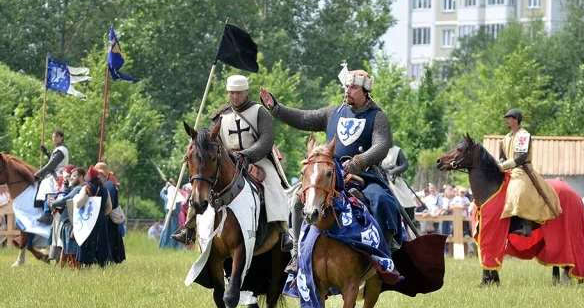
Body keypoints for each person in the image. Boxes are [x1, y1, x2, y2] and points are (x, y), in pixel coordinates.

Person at [261, 69, 402, 273]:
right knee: (299, 200)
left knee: (383, 201)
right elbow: (303, 118)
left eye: (353, 87)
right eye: (346, 86)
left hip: (365, 175)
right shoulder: (332, 113)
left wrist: (359, 162)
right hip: (331, 174)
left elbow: (381, 146)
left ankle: (384, 255)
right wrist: (276, 108)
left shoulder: (377, 117)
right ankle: (298, 254)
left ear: (365, 90)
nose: (348, 91)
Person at [172, 75, 293, 253]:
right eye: (231, 93)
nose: (234, 97)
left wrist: (248, 155)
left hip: (257, 159)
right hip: (227, 160)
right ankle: (189, 227)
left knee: (272, 183)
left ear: (246, 92)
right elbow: (211, 140)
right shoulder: (221, 114)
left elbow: (267, 140)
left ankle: (282, 230)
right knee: (201, 185)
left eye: (238, 93)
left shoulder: (259, 111)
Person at [498, 109, 562, 236]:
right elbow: (503, 156)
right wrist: (500, 163)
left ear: (516, 120)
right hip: (508, 169)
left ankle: (526, 225)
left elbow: (521, 156)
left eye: (509, 118)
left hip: (521, 170)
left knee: (518, 190)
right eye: (507, 118)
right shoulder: (506, 138)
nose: (507, 120)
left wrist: (504, 165)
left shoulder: (523, 135)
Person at [74, 166, 112, 267]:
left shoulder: (86, 188)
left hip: (88, 218)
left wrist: (75, 197)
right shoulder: (104, 190)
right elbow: (109, 207)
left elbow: (79, 203)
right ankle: (102, 263)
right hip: (101, 219)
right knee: (101, 240)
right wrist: (102, 214)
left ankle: (86, 262)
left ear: (89, 177)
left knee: (87, 241)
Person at [51, 167, 85, 264]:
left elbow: (65, 199)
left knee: (72, 249)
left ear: (81, 177)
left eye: (74, 176)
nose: (72, 178)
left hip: (71, 222)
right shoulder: (75, 188)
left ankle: (76, 270)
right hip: (68, 221)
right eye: (71, 176)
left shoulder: (79, 188)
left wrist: (53, 203)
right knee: (67, 248)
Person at [35, 129, 69, 225]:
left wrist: (38, 175)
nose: (54, 138)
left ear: (61, 137)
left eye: (56, 136)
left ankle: (47, 213)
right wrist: (46, 152)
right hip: (56, 171)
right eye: (53, 136)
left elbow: (51, 165)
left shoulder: (61, 150)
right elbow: (52, 159)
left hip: (58, 173)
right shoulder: (59, 149)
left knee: (46, 186)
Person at [95, 162, 126, 264]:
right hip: (104, 220)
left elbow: (108, 204)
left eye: (98, 174)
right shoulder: (101, 185)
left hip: (109, 221)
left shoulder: (109, 185)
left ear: (104, 175)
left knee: (109, 244)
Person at [380, 145, 416, 223]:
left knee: (406, 198)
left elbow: (405, 164)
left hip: (395, 179)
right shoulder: (377, 149)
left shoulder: (396, 150)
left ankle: (410, 220)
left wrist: (395, 171)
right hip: (381, 177)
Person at [160, 179, 183, 249]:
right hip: (171, 217)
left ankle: (170, 246)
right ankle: (170, 246)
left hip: (172, 217)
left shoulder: (172, 199)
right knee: (168, 231)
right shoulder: (171, 199)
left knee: (172, 231)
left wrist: (165, 187)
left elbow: (162, 193)